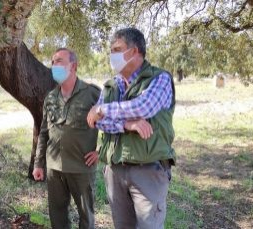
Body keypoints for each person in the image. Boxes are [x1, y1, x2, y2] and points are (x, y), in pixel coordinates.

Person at [86, 28, 176, 229]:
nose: (112, 55)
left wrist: (102, 108)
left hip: (148, 171)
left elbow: (144, 107)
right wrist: (128, 124)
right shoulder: (111, 85)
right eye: (111, 50)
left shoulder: (159, 78)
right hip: (115, 170)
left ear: (135, 51)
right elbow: (97, 122)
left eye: (117, 49)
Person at [32, 48, 101, 229]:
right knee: (58, 216)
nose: (55, 65)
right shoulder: (51, 97)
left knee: (86, 216)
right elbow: (44, 132)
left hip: (81, 167)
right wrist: (38, 163)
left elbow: (112, 124)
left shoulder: (93, 93)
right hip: (54, 168)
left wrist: (102, 151)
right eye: (53, 62)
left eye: (60, 61)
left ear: (74, 66)